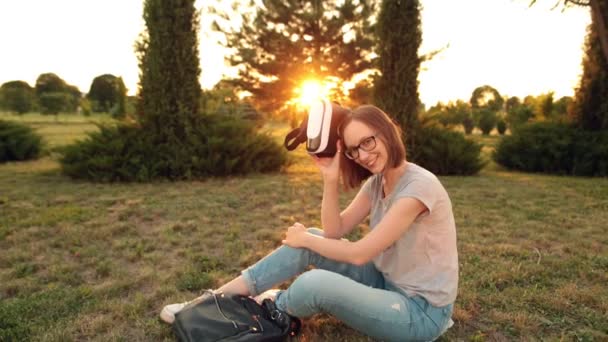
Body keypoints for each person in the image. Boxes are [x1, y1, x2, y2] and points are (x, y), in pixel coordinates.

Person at [160, 104, 458, 341]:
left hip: (421, 313)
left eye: (368, 142)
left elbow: (360, 253)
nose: (363, 156)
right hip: (385, 283)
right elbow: (333, 231)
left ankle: (269, 308)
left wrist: (306, 240)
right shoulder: (377, 183)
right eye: (354, 150)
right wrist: (329, 179)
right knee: (314, 238)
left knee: (315, 282)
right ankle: (209, 303)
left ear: (387, 132)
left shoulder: (419, 188)